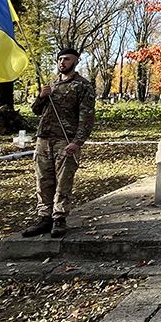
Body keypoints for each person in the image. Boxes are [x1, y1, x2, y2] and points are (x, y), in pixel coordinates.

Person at [21, 47, 96, 238]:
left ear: (76, 61)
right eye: (60, 59)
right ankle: (44, 218)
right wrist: (41, 97)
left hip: (65, 140)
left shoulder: (83, 86)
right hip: (44, 139)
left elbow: (86, 118)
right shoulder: (51, 85)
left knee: (63, 181)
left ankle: (59, 218)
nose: (62, 62)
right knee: (43, 180)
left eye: (67, 59)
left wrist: (77, 142)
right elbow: (37, 111)